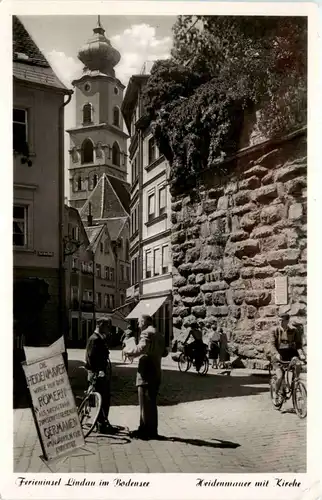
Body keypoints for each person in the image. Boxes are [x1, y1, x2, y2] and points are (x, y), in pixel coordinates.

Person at [123, 314, 165, 440]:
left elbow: (140, 349)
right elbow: (165, 352)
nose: (138, 324)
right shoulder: (159, 334)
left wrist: (127, 350)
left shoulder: (146, 333)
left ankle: (145, 430)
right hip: (156, 370)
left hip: (146, 371)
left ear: (145, 322)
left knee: (145, 402)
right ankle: (151, 429)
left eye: (139, 322)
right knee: (151, 402)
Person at [85, 317, 116, 434]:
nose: (109, 329)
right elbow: (90, 358)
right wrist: (98, 371)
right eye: (107, 326)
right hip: (97, 374)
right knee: (102, 399)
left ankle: (102, 423)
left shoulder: (100, 338)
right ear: (101, 325)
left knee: (104, 399)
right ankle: (101, 425)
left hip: (100, 373)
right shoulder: (94, 339)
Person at [268, 313, 306, 405]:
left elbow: (298, 345)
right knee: (280, 376)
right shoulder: (274, 330)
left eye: (283, 320)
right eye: (279, 320)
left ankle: (296, 383)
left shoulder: (294, 330)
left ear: (287, 321)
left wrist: (301, 354)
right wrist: (276, 354)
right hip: (278, 355)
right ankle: (276, 394)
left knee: (298, 364)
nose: (280, 322)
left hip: (290, 353)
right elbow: (272, 344)